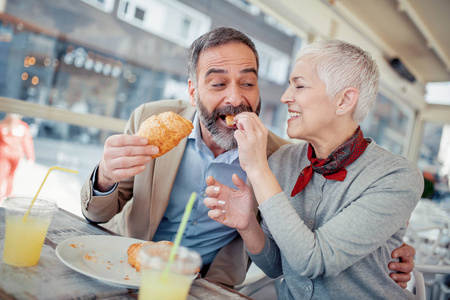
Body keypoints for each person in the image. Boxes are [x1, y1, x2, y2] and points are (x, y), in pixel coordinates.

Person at [81, 27, 415, 288]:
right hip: (123, 267)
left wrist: (387, 251)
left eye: (248, 82)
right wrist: (105, 176)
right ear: (193, 90)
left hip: (207, 286)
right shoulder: (149, 121)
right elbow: (98, 213)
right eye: (217, 84)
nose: (235, 97)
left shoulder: (276, 157)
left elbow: (308, 247)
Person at [204, 39, 423, 298]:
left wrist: (257, 168)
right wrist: (248, 225)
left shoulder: (397, 177)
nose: (286, 97)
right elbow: (277, 266)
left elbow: (312, 261)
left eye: (299, 85)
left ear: (344, 100)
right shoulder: (282, 161)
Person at [0, 113, 35, 200]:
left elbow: (27, 141)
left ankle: (6, 196)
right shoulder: (23, 126)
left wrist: (30, 156)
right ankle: (7, 197)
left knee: (4, 174)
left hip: (6, 154)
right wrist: (30, 157)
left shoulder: (4, 124)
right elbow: (27, 142)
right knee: (10, 175)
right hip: (13, 154)